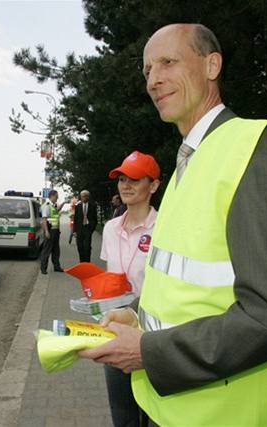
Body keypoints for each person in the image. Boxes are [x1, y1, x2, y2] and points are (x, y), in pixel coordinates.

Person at [79, 23, 267, 426]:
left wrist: (148, 352)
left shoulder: (252, 151)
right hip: (174, 409)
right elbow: (183, 286)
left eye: (168, 62)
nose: (153, 79)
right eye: (147, 70)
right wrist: (135, 316)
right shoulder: (191, 161)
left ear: (212, 65)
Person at [101, 151, 160, 427]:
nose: (125, 185)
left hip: (152, 334)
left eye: (135, 179)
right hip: (115, 329)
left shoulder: (166, 228)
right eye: (122, 178)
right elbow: (109, 275)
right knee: (122, 413)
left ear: (154, 185)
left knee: (153, 414)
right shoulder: (111, 228)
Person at [40, 190, 64, 274]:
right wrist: (46, 231)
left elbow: (57, 210)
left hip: (56, 231)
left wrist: (64, 203)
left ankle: (56, 267)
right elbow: (44, 219)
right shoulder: (46, 206)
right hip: (49, 230)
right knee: (47, 250)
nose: (57, 199)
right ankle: (43, 268)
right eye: (56, 197)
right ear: (52, 196)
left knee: (56, 250)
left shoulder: (53, 205)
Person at [73, 190, 98, 262]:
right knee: (80, 247)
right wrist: (74, 231)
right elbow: (76, 219)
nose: (83, 198)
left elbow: (95, 219)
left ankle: (87, 263)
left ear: (88, 197)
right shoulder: (78, 206)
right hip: (79, 230)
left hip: (88, 229)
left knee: (87, 247)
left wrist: (91, 229)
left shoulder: (92, 206)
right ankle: (82, 262)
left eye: (84, 196)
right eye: (82, 196)